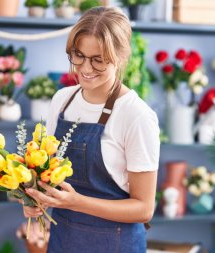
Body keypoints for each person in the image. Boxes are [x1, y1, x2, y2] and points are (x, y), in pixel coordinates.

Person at [23, 6, 160, 253]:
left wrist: (76, 202)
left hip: (114, 243)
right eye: (78, 56)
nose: (85, 69)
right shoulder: (62, 101)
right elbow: (47, 170)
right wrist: (34, 199)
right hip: (64, 239)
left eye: (98, 60)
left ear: (120, 57)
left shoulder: (136, 115)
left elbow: (143, 209)